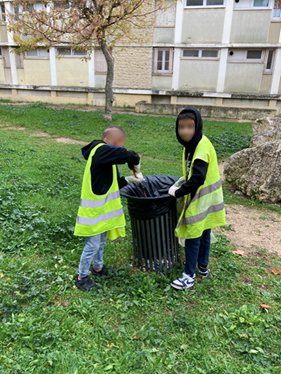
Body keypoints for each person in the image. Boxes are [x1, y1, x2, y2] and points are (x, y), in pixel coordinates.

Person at [74, 125, 144, 291]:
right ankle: (81, 276)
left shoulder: (106, 158)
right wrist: (136, 164)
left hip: (102, 212)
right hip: (93, 213)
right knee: (92, 245)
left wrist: (129, 179)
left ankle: (98, 268)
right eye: (121, 144)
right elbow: (130, 155)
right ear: (116, 141)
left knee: (101, 243)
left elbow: (113, 183)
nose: (122, 148)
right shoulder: (100, 150)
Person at [168, 107, 225, 290]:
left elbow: (198, 177)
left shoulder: (201, 147)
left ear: (197, 126)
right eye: (181, 126)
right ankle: (203, 267)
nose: (185, 131)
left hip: (200, 199)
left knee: (193, 235)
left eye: (190, 126)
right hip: (208, 199)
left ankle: (188, 277)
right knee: (205, 233)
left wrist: (178, 192)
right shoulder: (193, 144)